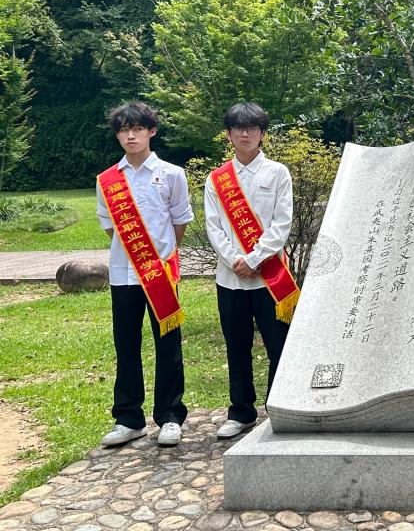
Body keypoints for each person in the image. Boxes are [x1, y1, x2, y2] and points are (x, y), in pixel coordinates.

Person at [96, 102, 193, 447]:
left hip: (160, 275)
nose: (130, 136)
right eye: (124, 130)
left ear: (151, 131)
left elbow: (179, 222)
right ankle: (128, 418)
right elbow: (110, 227)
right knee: (126, 345)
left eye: (137, 129)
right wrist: (135, 255)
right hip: (123, 274)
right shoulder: (107, 180)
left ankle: (170, 416)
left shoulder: (172, 174)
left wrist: (160, 257)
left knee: (168, 346)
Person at [205, 103, 298, 439]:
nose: (245, 134)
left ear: (262, 133)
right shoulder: (216, 179)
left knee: (278, 345)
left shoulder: (278, 173)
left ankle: (278, 408)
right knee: (237, 346)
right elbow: (214, 226)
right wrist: (235, 260)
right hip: (230, 278)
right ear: (228, 134)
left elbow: (282, 223)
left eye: (252, 128)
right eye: (238, 128)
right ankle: (241, 411)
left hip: (270, 279)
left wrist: (255, 258)